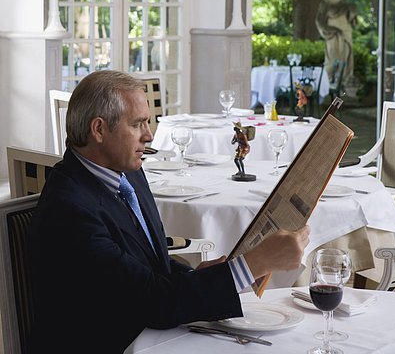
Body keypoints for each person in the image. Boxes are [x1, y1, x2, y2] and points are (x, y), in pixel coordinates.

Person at [27, 70, 310, 354]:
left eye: (148, 123)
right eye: (137, 124)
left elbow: (145, 265)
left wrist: (193, 278)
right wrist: (253, 264)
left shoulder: (126, 175)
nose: (149, 136)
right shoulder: (70, 210)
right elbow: (153, 303)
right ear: (99, 130)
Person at [316, 0, 357, 83]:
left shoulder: (346, 6)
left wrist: (353, 14)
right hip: (332, 36)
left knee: (345, 60)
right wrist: (328, 30)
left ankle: (343, 84)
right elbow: (319, 21)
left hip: (345, 34)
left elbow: (353, 22)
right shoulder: (325, 5)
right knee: (332, 61)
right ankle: (327, 84)